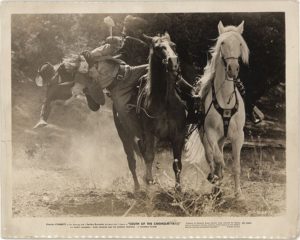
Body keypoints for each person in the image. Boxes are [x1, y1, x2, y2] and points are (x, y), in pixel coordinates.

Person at [81, 36, 148, 149]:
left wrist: (113, 41)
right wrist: (90, 88)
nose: (84, 68)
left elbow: (110, 48)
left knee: (158, 67)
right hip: (118, 90)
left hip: (129, 72)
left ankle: (187, 99)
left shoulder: (94, 54)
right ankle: (143, 139)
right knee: (123, 114)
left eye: (84, 64)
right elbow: (100, 101)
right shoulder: (87, 83)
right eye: (81, 69)